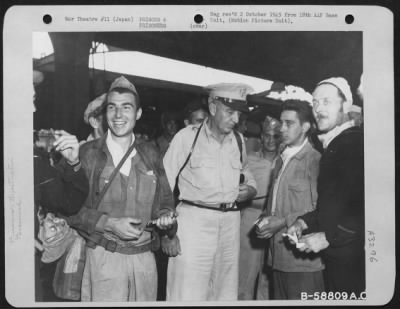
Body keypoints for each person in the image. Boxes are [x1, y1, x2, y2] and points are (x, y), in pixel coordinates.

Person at [67, 76, 177, 302]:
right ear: (105, 114)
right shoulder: (87, 154)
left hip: (145, 261)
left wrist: (167, 220)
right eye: (112, 108)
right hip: (104, 259)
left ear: (138, 113)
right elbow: (67, 209)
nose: (118, 116)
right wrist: (108, 223)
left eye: (126, 108)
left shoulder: (151, 152)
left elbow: (165, 204)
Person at [163, 83, 257, 301]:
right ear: (213, 107)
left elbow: (247, 171)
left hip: (230, 224)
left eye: (239, 114)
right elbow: (163, 185)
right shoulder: (187, 138)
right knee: (187, 292)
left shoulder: (238, 140)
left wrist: (251, 189)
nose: (236, 119)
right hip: (195, 222)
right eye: (230, 112)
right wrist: (166, 233)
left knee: (224, 292)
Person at [288, 77, 365, 296]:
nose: (318, 108)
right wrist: (305, 221)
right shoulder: (334, 144)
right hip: (340, 257)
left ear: (346, 106)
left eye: (326, 101)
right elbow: (336, 204)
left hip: (353, 261)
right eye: (315, 102)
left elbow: (368, 207)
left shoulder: (352, 143)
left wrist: (328, 237)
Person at [255, 99, 324, 299]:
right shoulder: (280, 160)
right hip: (278, 258)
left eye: (289, 123)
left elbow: (319, 210)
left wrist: (282, 222)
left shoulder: (315, 161)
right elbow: (274, 204)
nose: (281, 129)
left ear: (306, 127)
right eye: (281, 122)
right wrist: (265, 220)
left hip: (303, 262)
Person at [33, 74, 89, 301]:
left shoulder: (35, 157)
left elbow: (67, 202)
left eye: (34, 99)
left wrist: (74, 162)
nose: (34, 109)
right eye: (28, 99)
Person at [238, 116, 281, 300]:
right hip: (250, 220)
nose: (270, 140)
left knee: (268, 278)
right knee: (245, 274)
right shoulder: (250, 160)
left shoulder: (285, 160)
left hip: (276, 223)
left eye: (275, 135)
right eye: (267, 135)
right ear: (261, 136)